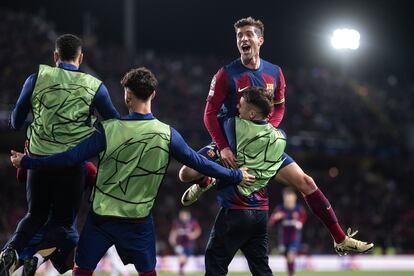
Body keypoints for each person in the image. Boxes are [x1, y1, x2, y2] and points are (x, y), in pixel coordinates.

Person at [10, 67, 255, 276]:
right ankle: (41, 254)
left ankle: (38, 254)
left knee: (80, 270)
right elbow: (200, 163)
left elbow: (68, 158)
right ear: (154, 94)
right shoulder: (167, 134)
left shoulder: (108, 130)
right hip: (138, 224)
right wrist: (236, 175)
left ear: (127, 96)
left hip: (100, 222)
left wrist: (29, 162)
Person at [180, 16, 374, 256]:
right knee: (187, 173)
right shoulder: (225, 74)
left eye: (249, 34)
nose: (243, 38)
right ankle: (205, 180)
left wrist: (267, 129)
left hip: (262, 147)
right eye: (239, 35)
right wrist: (223, 147)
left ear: (260, 40)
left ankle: (340, 238)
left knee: (307, 183)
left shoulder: (275, 73)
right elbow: (209, 114)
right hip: (229, 145)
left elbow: (279, 106)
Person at [0, 34, 119, 276]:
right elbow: (115, 124)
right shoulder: (95, 86)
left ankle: (12, 250)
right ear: (81, 58)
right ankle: (35, 256)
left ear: (55, 56)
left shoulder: (35, 79)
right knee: (64, 224)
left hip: (38, 161)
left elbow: (14, 122)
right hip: (71, 165)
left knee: (35, 214)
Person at [180, 87, 288, 275]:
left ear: (252, 113)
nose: (237, 106)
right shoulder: (280, 138)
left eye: (242, 104)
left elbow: (212, 116)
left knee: (215, 265)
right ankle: (209, 179)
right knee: (262, 270)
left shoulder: (233, 126)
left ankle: (209, 179)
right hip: (261, 213)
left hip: (236, 211)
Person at [13, 162, 97, 276]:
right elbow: (96, 188)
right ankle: (36, 260)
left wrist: (27, 157)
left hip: (36, 225)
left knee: (15, 261)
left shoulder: (36, 158)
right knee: (81, 264)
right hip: (65, 228)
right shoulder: (85, 167)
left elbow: (21, 177)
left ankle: (34, 259)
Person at [268, 187, 307, 276]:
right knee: (287, 257)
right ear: (284, 198)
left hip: (294, 237)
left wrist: (299, 223)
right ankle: (290, 272)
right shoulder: (280, 208)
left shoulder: (298, 208)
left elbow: (303, 218)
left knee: (290, 255)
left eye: (290, 197)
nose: (288, 199)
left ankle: (291, 274)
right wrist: (276, 217)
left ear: (294, 197)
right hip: (283, 237)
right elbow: (271, 222)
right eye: (286, 197)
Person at [169, 210, 201, 276]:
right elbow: (173, 232)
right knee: (181, 257)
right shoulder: (177, 223)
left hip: (189, 244)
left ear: (188, 216)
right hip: (180, 244)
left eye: (184, 215)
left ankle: (181, 269)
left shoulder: (193, 222)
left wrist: (193, 235)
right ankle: (181, 271)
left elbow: (198, 231)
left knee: (186, 258)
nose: (183, 217)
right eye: (181, 215)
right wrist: (172, 239)